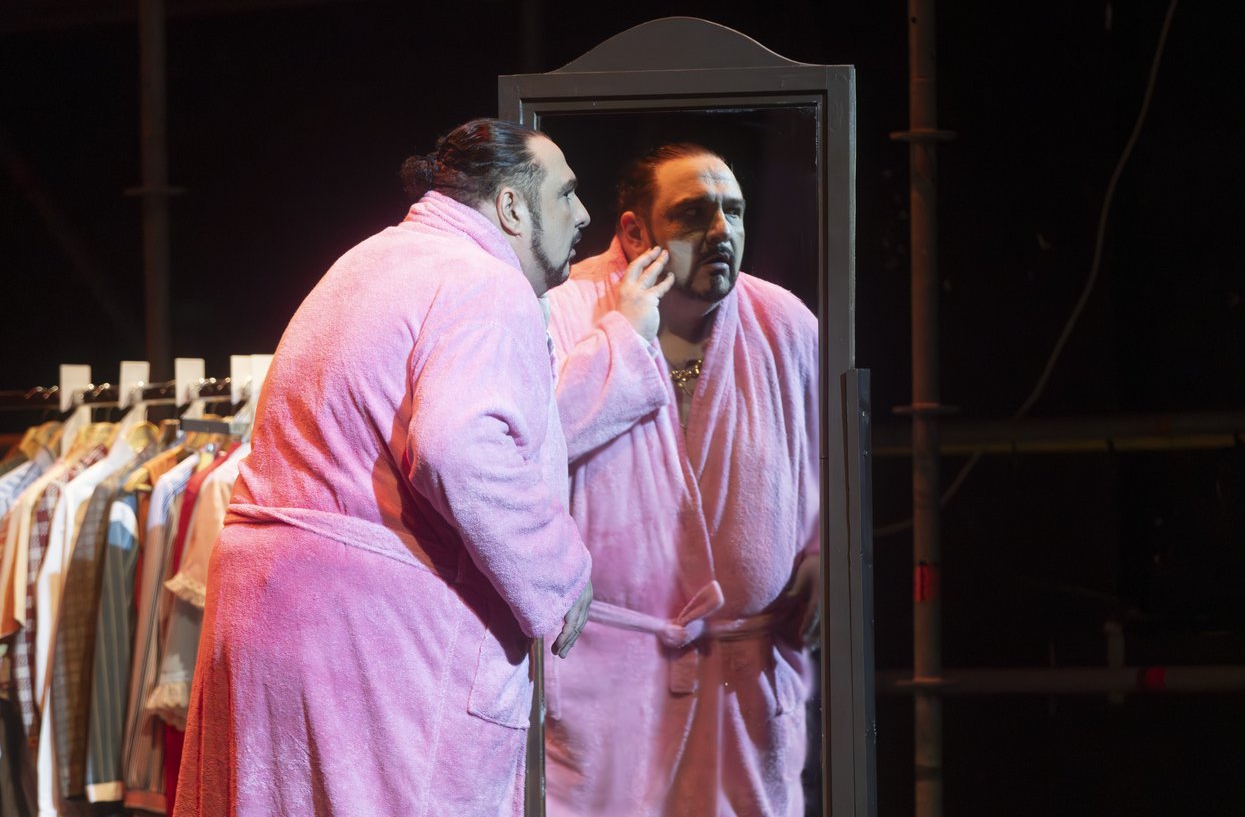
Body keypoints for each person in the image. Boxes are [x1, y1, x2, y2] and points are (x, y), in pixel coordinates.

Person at [175, 118, 595, 817]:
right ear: (512, 207)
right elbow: (458, 444)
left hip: (265, 619)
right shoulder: (485, 282)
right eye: (566, 194)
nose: (582, 215)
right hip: (374, 650)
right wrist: (558, 572)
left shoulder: (365, 261)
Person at [543, 143, 820, 816]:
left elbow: (828, 455)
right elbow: (528, 457)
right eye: (695, 213)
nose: (722, 231)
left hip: (743, 684)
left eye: (734, 212)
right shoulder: (564, 313)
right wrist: (621, 337)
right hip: (601, 681)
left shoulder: (785, 324)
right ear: (636, 231)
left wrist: (823, 550)